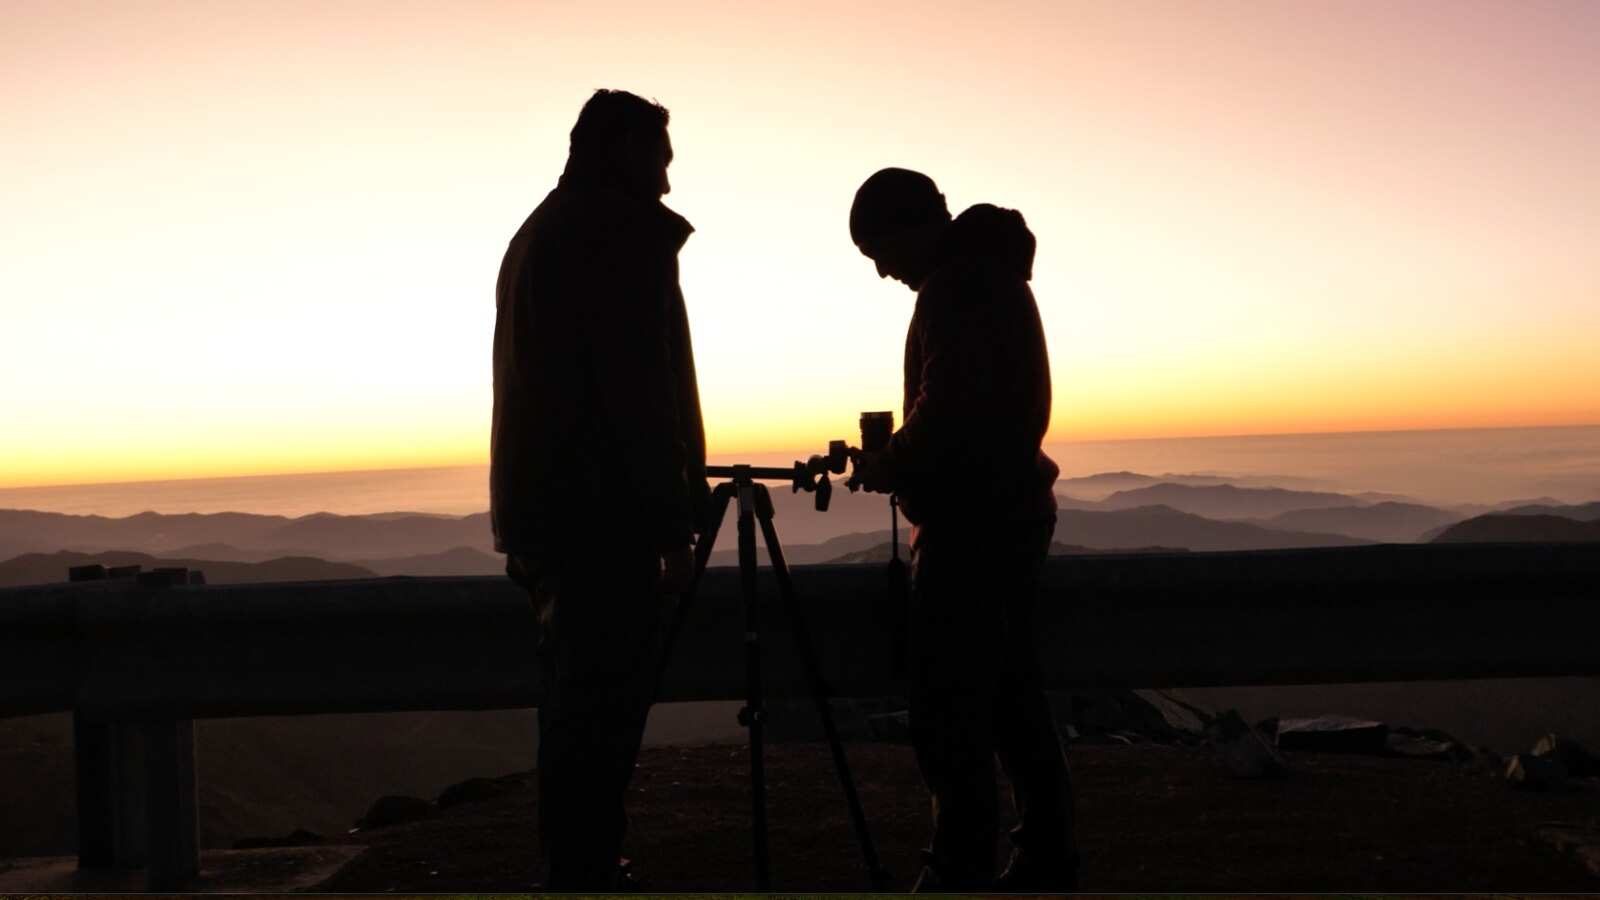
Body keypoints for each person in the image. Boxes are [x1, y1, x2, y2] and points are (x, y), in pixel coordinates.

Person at [489, 88, 708, 890]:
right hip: (601, 519)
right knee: (601, 714)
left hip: (547, 514)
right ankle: (584, 872)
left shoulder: (540, 235)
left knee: (575, 710)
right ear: (620, 152)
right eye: (659, 161)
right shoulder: (609, 240)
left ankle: (574, 864)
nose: (667, 185)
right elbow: (638, 394)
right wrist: (673, 524)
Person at [846, 167, 1078, 891]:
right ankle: (1043, 856)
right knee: (1009, 696)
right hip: (1007, 514)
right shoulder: (990, 276)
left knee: (950, 710)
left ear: (909, 226)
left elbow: (949, 410)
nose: (884, 272)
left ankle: (959, 870)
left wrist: (892, 463)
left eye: (879, 251)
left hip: (973, 524)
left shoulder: (959, 286)